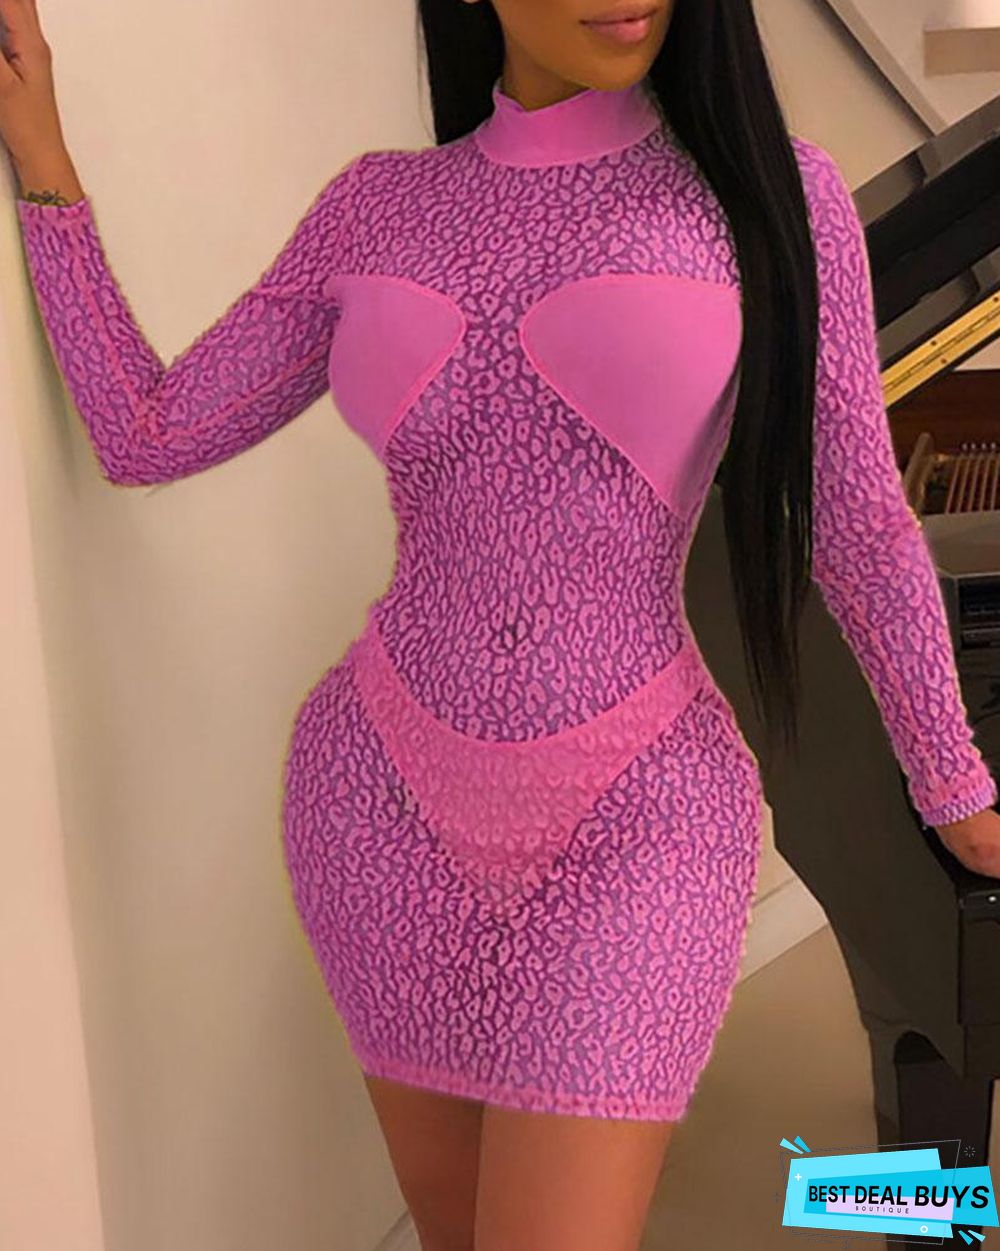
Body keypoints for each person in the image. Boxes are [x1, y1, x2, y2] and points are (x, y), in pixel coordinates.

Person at [3, 0, 999, 1247]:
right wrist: (46, 165)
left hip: (639, 813)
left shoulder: (771, 195)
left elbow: (856, 523)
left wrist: (956, 792)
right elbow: (145, 434)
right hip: (379, 805)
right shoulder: (377, 207)